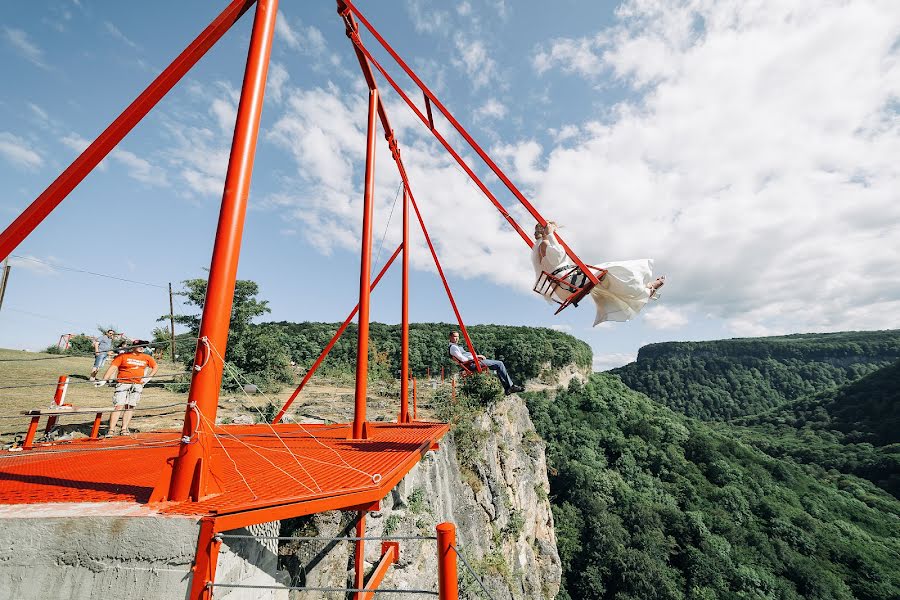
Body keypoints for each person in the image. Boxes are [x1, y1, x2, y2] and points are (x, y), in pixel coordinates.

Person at [531, 221, 665, 326]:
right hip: (567, 280)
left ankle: (645, 290)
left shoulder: (539, 247)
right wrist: (551, 235)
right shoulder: (545, 242)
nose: (556, 232)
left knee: (605, 283)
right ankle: (645, 289)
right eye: (555, 229)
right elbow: (557, 257)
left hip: (563, 287)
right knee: (610, 268)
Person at [99, 340, 158, 436]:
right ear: (133, 346)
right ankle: (111, 430)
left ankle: (124, 429)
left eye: (144, 346)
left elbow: (155, 367)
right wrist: (104, 379)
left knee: (130, 407)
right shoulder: (123, 356)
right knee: (119, 405)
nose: (142, 347)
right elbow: (113, 367)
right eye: (139, 345)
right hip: (123, 384)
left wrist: (148, 378)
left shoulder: (147, 357)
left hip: (137, 385)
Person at [448, 331, 524, 395]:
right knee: (499, 364)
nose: (457, 338)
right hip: (472, 364)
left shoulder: (455, 346)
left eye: (457, 336)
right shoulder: (453, 347)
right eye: (455, 336)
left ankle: (508, 388)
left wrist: (475, 356)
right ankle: (510, 387)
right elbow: (463, 359)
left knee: (498, 366)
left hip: (473, 362)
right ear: (450, 337)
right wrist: (476, 357)